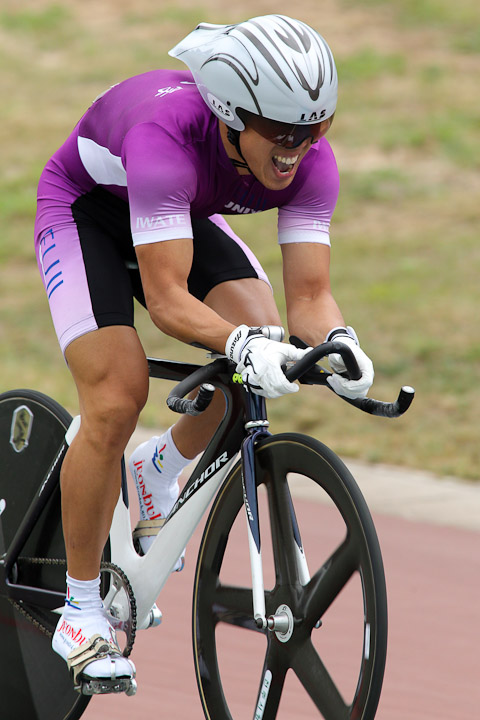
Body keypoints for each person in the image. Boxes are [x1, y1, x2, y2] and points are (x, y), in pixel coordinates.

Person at [34, 14, 374, 695]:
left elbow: (310, 297)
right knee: (117, 394)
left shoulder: (306, 159)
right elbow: (164, 300)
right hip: (86, 213)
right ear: (230, 114)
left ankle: (157, 472)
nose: (297, 152)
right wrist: (238, 343)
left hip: (175, 211)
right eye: (281, 135)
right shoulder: (167, 139)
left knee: (264, 335)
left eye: (315, 131)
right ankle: (78, 607)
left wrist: (341, 345)